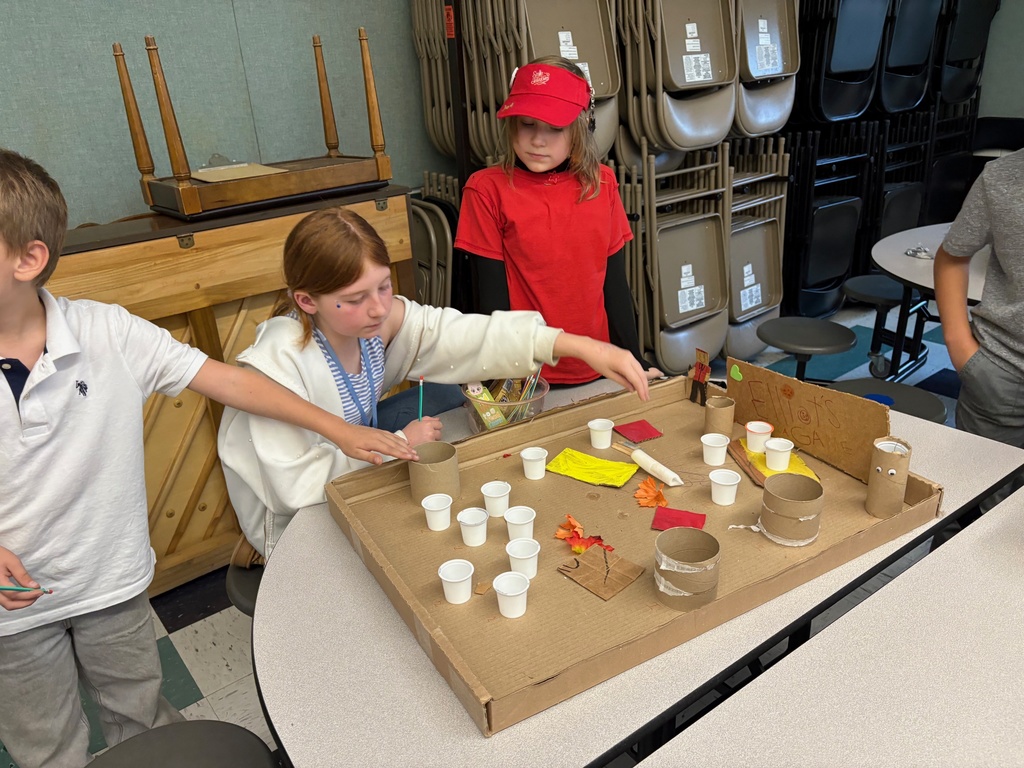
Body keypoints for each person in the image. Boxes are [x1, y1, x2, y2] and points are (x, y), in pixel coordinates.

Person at [0, 148, 417, 768]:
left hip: (111, 583)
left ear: (28, 259)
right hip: (11, 614)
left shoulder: (106, 332)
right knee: (45, 746)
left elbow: (226, 380)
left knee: (141, 718)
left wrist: (337, 430)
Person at [217, 206, 651, 559]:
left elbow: (460, 334)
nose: (377, 309)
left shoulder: (376, 321)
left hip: (349, 464)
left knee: (447, 393)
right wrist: (398, 443)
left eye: (384, 287)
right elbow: (293, 488)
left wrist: (582, 346)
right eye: (355, 299)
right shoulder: (278, 362)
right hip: (291, 521)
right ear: (307, 301)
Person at [454, 56, 663, 386]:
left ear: (582, 127)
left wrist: (633, 357)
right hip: (526, 376)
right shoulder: (485, 191)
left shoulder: (603, 184)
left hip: (599, 365)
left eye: (555, 128)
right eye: (527, 123)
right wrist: (500, 383)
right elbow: (489, 301)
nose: (538, 140)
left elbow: (615, 283)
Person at [933, 147, 1024, 511]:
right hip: (1002, 375)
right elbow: (953, 254)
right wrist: (960, 344)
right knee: (967, 510)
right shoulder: (1002, 176)